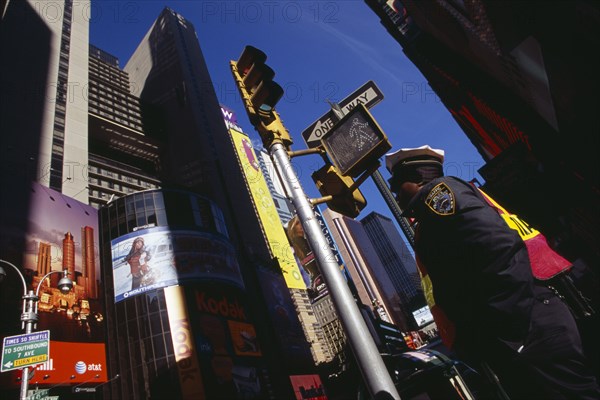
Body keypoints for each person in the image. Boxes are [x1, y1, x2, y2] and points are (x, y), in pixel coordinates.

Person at [385, 145, 599, 399]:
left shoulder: (439, 196)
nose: (395, 194)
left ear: (418, 177)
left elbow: (499, 247)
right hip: (532, 322)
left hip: (528, 329)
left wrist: (509, 331)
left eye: (396, 185)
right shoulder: (440, 206)